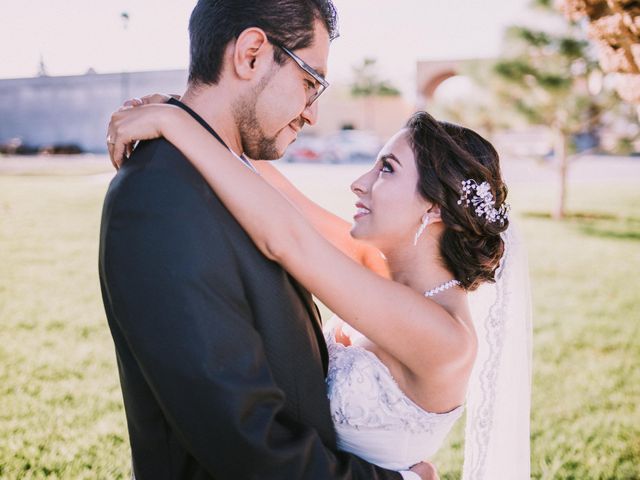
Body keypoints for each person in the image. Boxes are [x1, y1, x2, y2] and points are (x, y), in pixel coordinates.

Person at [99, 0, 438, 478]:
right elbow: (244, 443)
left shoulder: (231, 172)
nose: (313, 113)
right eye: (310, 81)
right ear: (252, 53)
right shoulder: (158, 199)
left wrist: (179, 117)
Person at [106, 101, 532, 477]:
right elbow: (276, 190)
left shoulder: (445, 339)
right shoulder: (376, 269)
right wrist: (187, 110)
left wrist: (171, 123)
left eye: (386, 168)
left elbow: (287, 239)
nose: (359, 182)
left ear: (435, 206)